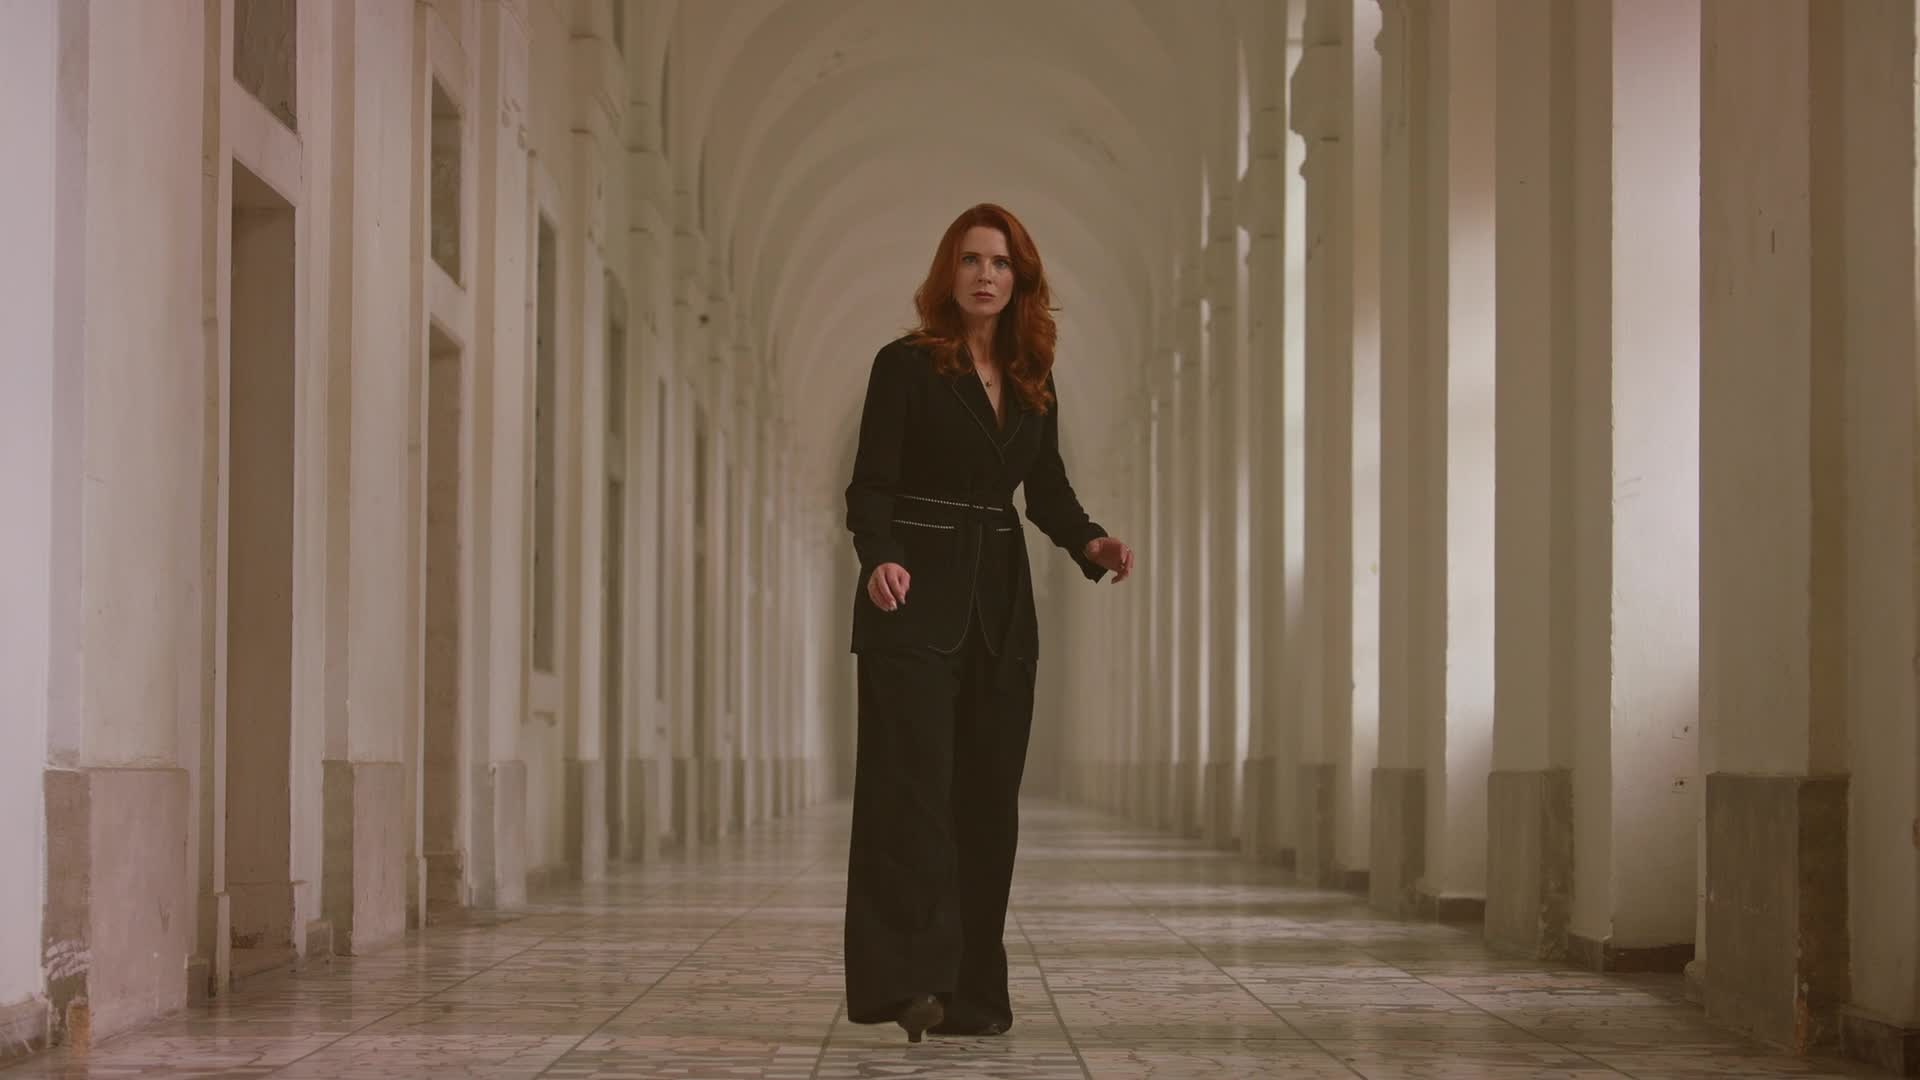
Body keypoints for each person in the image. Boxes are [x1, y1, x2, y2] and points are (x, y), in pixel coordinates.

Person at [841, 203, 1134, 1043]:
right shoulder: (904, 365)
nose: (985, 275)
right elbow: (870, 485)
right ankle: (912, 983)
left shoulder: (1034, 377)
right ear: (950, 272)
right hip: (911, 604)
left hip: (1001, 614)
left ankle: (973, 992)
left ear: (1020, 280)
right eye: (972, 259)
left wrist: (1090, 541)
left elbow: (1047, 491)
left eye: (1001, 263)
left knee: (987, 803)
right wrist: (879, 555)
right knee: (912, 798)